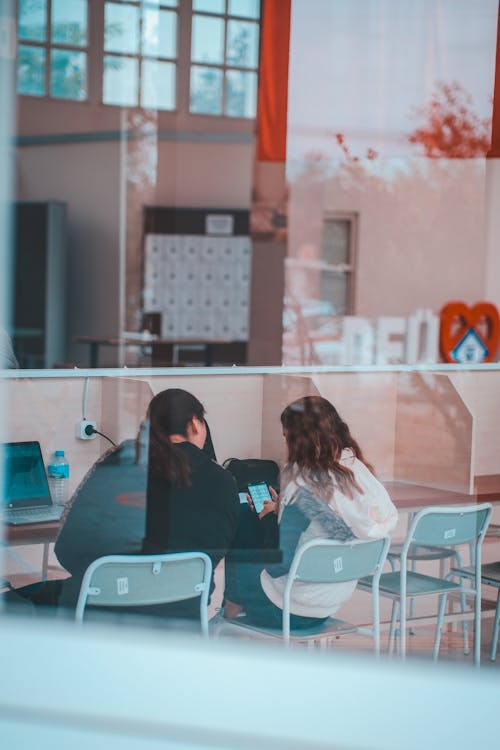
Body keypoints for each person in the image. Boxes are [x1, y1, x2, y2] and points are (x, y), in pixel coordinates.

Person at [223, 395, 398, 630]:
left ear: (301, 441)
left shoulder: (303, 482)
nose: (286, 446)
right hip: (328, 605)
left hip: (286, 609)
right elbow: (330, 522)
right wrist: (281, 511)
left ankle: (228, 619)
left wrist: (268, 521)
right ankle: (231, 614)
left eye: (288, 439)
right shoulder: (357, 470)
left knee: (242, 533)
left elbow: (280, 566)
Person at [141, 388, 241, 617]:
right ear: (196, 423)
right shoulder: (223, 479)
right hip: (190, 601)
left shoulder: (129, 469)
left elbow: (70, 547)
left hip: (120, 601)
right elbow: (230, 543)